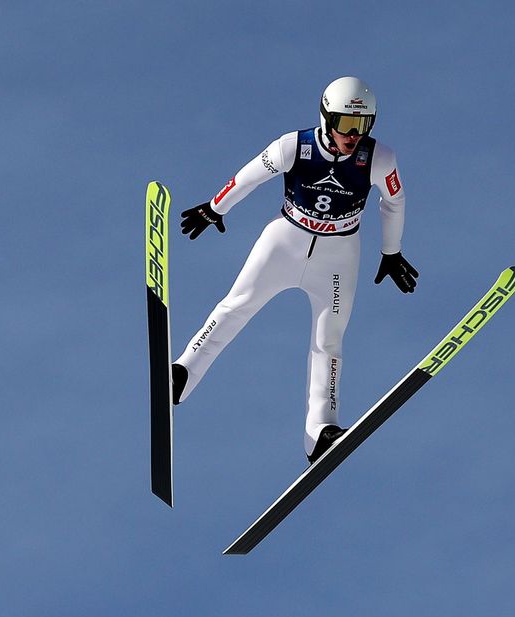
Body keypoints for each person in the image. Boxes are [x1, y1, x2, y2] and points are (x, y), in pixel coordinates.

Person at [172, 76, 418, 463]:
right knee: (237, 306)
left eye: (363, 126)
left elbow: (395, 200)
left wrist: (391, 252)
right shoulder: (294, 146)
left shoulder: (378, 158)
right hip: (284, 241)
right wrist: (215, 207)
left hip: (338, 256)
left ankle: (320, 432)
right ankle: (182, 373)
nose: (353, 135)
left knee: (329, 341)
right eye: (346, 124)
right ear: (326, 117)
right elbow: (250, 175)